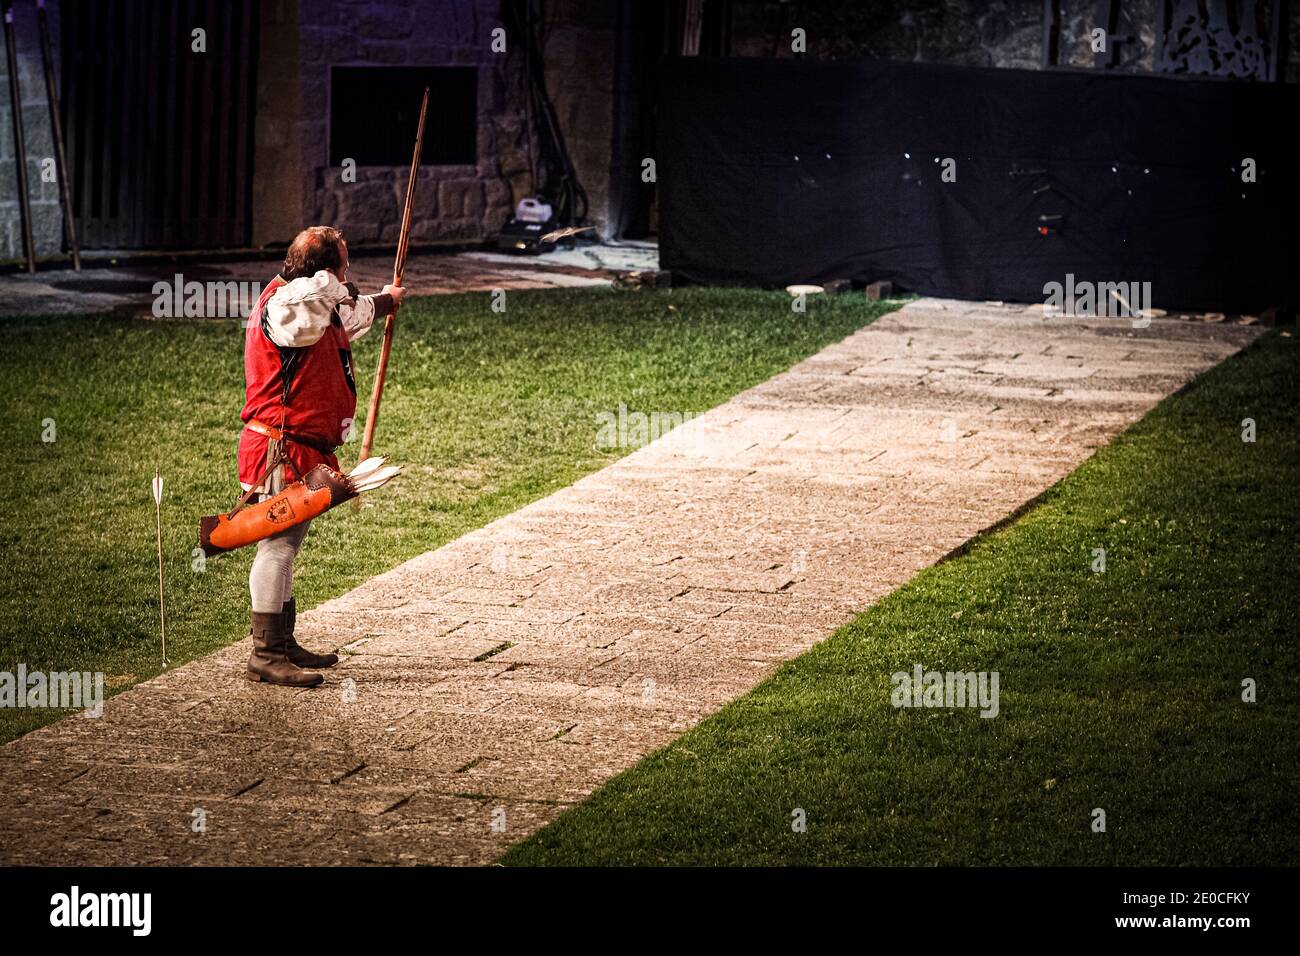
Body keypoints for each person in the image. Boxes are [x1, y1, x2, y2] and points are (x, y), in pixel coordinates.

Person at [238, 226, 405, 686]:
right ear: (327, 270)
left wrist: (386, 301)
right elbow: (323, 294)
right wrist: (340, 282)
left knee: (287, 547)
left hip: (299, 448)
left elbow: (345, 314)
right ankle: (265, 654)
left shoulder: (313, 312)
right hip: (277, 448)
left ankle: (283, 642)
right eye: (343, 266)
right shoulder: (287, 305)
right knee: (277, 546)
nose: (346, 277)